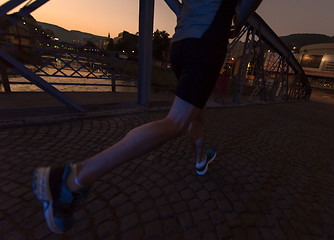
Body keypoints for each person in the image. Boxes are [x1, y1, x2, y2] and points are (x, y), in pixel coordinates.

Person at [33, 0, 263, 234]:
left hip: (181, 42)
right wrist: (237, 21)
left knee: (194, 109)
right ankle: (70, 178)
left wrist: (186, 13)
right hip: (207, 40)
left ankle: (200, 159)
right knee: (176, 122)